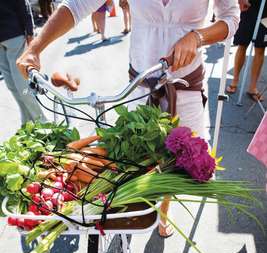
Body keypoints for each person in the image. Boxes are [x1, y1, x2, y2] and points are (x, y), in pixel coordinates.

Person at [17, 0, 239, 237]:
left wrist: (198, 37)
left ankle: (164, 207)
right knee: (135, 157)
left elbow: (230, 18)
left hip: (186, 86)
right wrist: (35, 48)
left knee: (177, 160)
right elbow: (78, 5)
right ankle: (135, 208)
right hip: (139, 85)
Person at [0, 0, 46, 126]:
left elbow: (24, 6)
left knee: (22, 87)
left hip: (15, 37)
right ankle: (27, 123)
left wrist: (30, 33)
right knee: (12, 86)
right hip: (3, 43)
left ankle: (43, 124)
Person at [227, 0, 267, 101]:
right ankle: (235, 80)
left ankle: (252, 88)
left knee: (260, 49)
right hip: (249, 7)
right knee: (242, 45)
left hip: (266, 13)